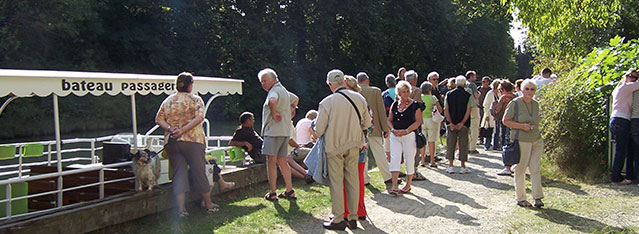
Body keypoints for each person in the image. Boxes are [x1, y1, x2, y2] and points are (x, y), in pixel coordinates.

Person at [155, 72, 218, 217]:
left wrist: (171, 129)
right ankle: (208, 205)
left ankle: (181, 210)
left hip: (172, 142)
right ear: (190, 85)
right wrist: (183, 130)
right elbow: (200, 117)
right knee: (199, 171)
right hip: (193, 141)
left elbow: (158, 119)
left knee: (179, 174)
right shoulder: (195, 99)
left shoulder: (168, 100)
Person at [317, 69, 371, 230]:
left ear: (329, 84)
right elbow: (367, 124)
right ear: (344, 82)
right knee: (353, 179)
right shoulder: (359, 98)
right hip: (354, 144)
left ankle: (339, 218)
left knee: (336, 182)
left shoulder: (327, 102)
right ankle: (353, 217)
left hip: (334, 146)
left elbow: (319, 129)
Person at [503, 79, 545, 208]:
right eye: (527, 89)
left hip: (536, 140)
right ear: (521, 90)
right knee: (520, 169)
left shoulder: (536, 104)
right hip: (521, 140)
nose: (529, 92)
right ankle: (521, 198)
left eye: (532, 89)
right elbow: (506, 121)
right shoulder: (515, 103)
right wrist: (522, 126)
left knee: (535, 168)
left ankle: (538, 197)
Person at [257, 68, 295, 201]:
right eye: (261, 81)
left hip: (273, 132)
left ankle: (272, 192)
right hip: (285, 131)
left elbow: (272, 101)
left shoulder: (273, 91)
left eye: (265, 80)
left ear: (273, 79)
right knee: (282, 161)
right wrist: (292, 110)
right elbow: (295, 99)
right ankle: (289, 191)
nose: (263, 83)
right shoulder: (283, 90)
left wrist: (274, 113)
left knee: (271, 162)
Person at [388, 81, 423, 194]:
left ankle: (408, 184)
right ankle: (394, 185)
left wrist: (406, 130)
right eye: (403, 92)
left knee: (409, 158)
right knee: (395, 158)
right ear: (399, 93)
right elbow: (389, 120)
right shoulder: (395, 105)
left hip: (409, 135)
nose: (406, 94)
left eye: (407, 91)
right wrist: (392, 129)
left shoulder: (415, 105)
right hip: (395, 135)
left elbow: (418, 121)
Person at [357, 72, 393, 184]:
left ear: (358, 81)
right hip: (374, 127)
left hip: (359, 128)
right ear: (367, 79)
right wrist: (385, 128)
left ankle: (365, 179)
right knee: (379, 152)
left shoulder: (354, 92)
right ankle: (387, 176)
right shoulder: (376, 91)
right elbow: (381, 111)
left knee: (363, 154)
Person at [610, 69, 639, 185]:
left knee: (623, 150)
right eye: (630, 76)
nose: (632, 79)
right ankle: (616, 178)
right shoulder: (626, 87)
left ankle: (624, 176)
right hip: (622, 120)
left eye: (635, 78)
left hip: (616, 120)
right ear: (625, 76)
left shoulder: (618, 88)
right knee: (621, 151)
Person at [444, 76, 472, 174]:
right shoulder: (468, 95)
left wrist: (450, 122)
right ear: (464, 84)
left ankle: (450, 166)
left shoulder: (448, 94)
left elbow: (446, 109)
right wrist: (462, 123)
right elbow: (468, 110)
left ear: (456, 84)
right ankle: (463, 166)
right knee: (463, 144)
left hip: (451, 122)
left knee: (450, 143)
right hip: (463, 124)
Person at [405, 70, 427, 181]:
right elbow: (417, 106)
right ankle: (413, 170)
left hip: (402, 122)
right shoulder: (417, 90)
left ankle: (408, 170)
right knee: (416, 145)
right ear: (414, 80)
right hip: (414, 122)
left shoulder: (400, 90)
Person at [494, 80, 516, 175]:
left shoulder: (504, 98)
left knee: (506, 142)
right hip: (515, 123)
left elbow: (497, 110)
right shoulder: (516, 97)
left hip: (506, 121)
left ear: (503, 89)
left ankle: (507, 166)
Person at [420, 81, 443, 167]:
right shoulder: (433, 98)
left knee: (423, 140)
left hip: (422, 120)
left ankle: (422, 160)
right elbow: (440, 110)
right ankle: (432, 160)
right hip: (431, 120)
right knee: (431, 141)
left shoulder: (420, 98)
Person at [382, 74, 397, 161]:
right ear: (395, 82)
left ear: (387, 84)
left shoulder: (384, 94)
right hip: (398, 121)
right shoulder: (400, 92)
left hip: (387, 121)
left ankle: (390, 162)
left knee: (387, 144)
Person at [481, 79, 500, 150]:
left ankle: (496, 145)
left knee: (497, 130)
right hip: (490, 114)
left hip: (497, 115)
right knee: (489, 129)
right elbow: (485, 105)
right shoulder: (490, 93)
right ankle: (487, 145)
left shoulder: (499, 94)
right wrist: (487, 115)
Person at [465, 71, 481, 154]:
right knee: (474, 127)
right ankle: (472, 147)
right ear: (471, 76)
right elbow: (476, 95)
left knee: (467, 128)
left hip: (465, 107)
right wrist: (479, 93)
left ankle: (466, 146)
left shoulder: (464, 84)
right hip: (473, 107)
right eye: (474, 76)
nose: (475, 77)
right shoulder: (472, 85)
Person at [478, 76, 492, 146]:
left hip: (487, 109)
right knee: (480, 124)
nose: (483, 83)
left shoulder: (490, 90)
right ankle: (481, 139)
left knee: (487, 124)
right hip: (480, 108)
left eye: (484, 81)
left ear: (488, 82)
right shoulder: (479, 89)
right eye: (482, 81)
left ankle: (488, 139)